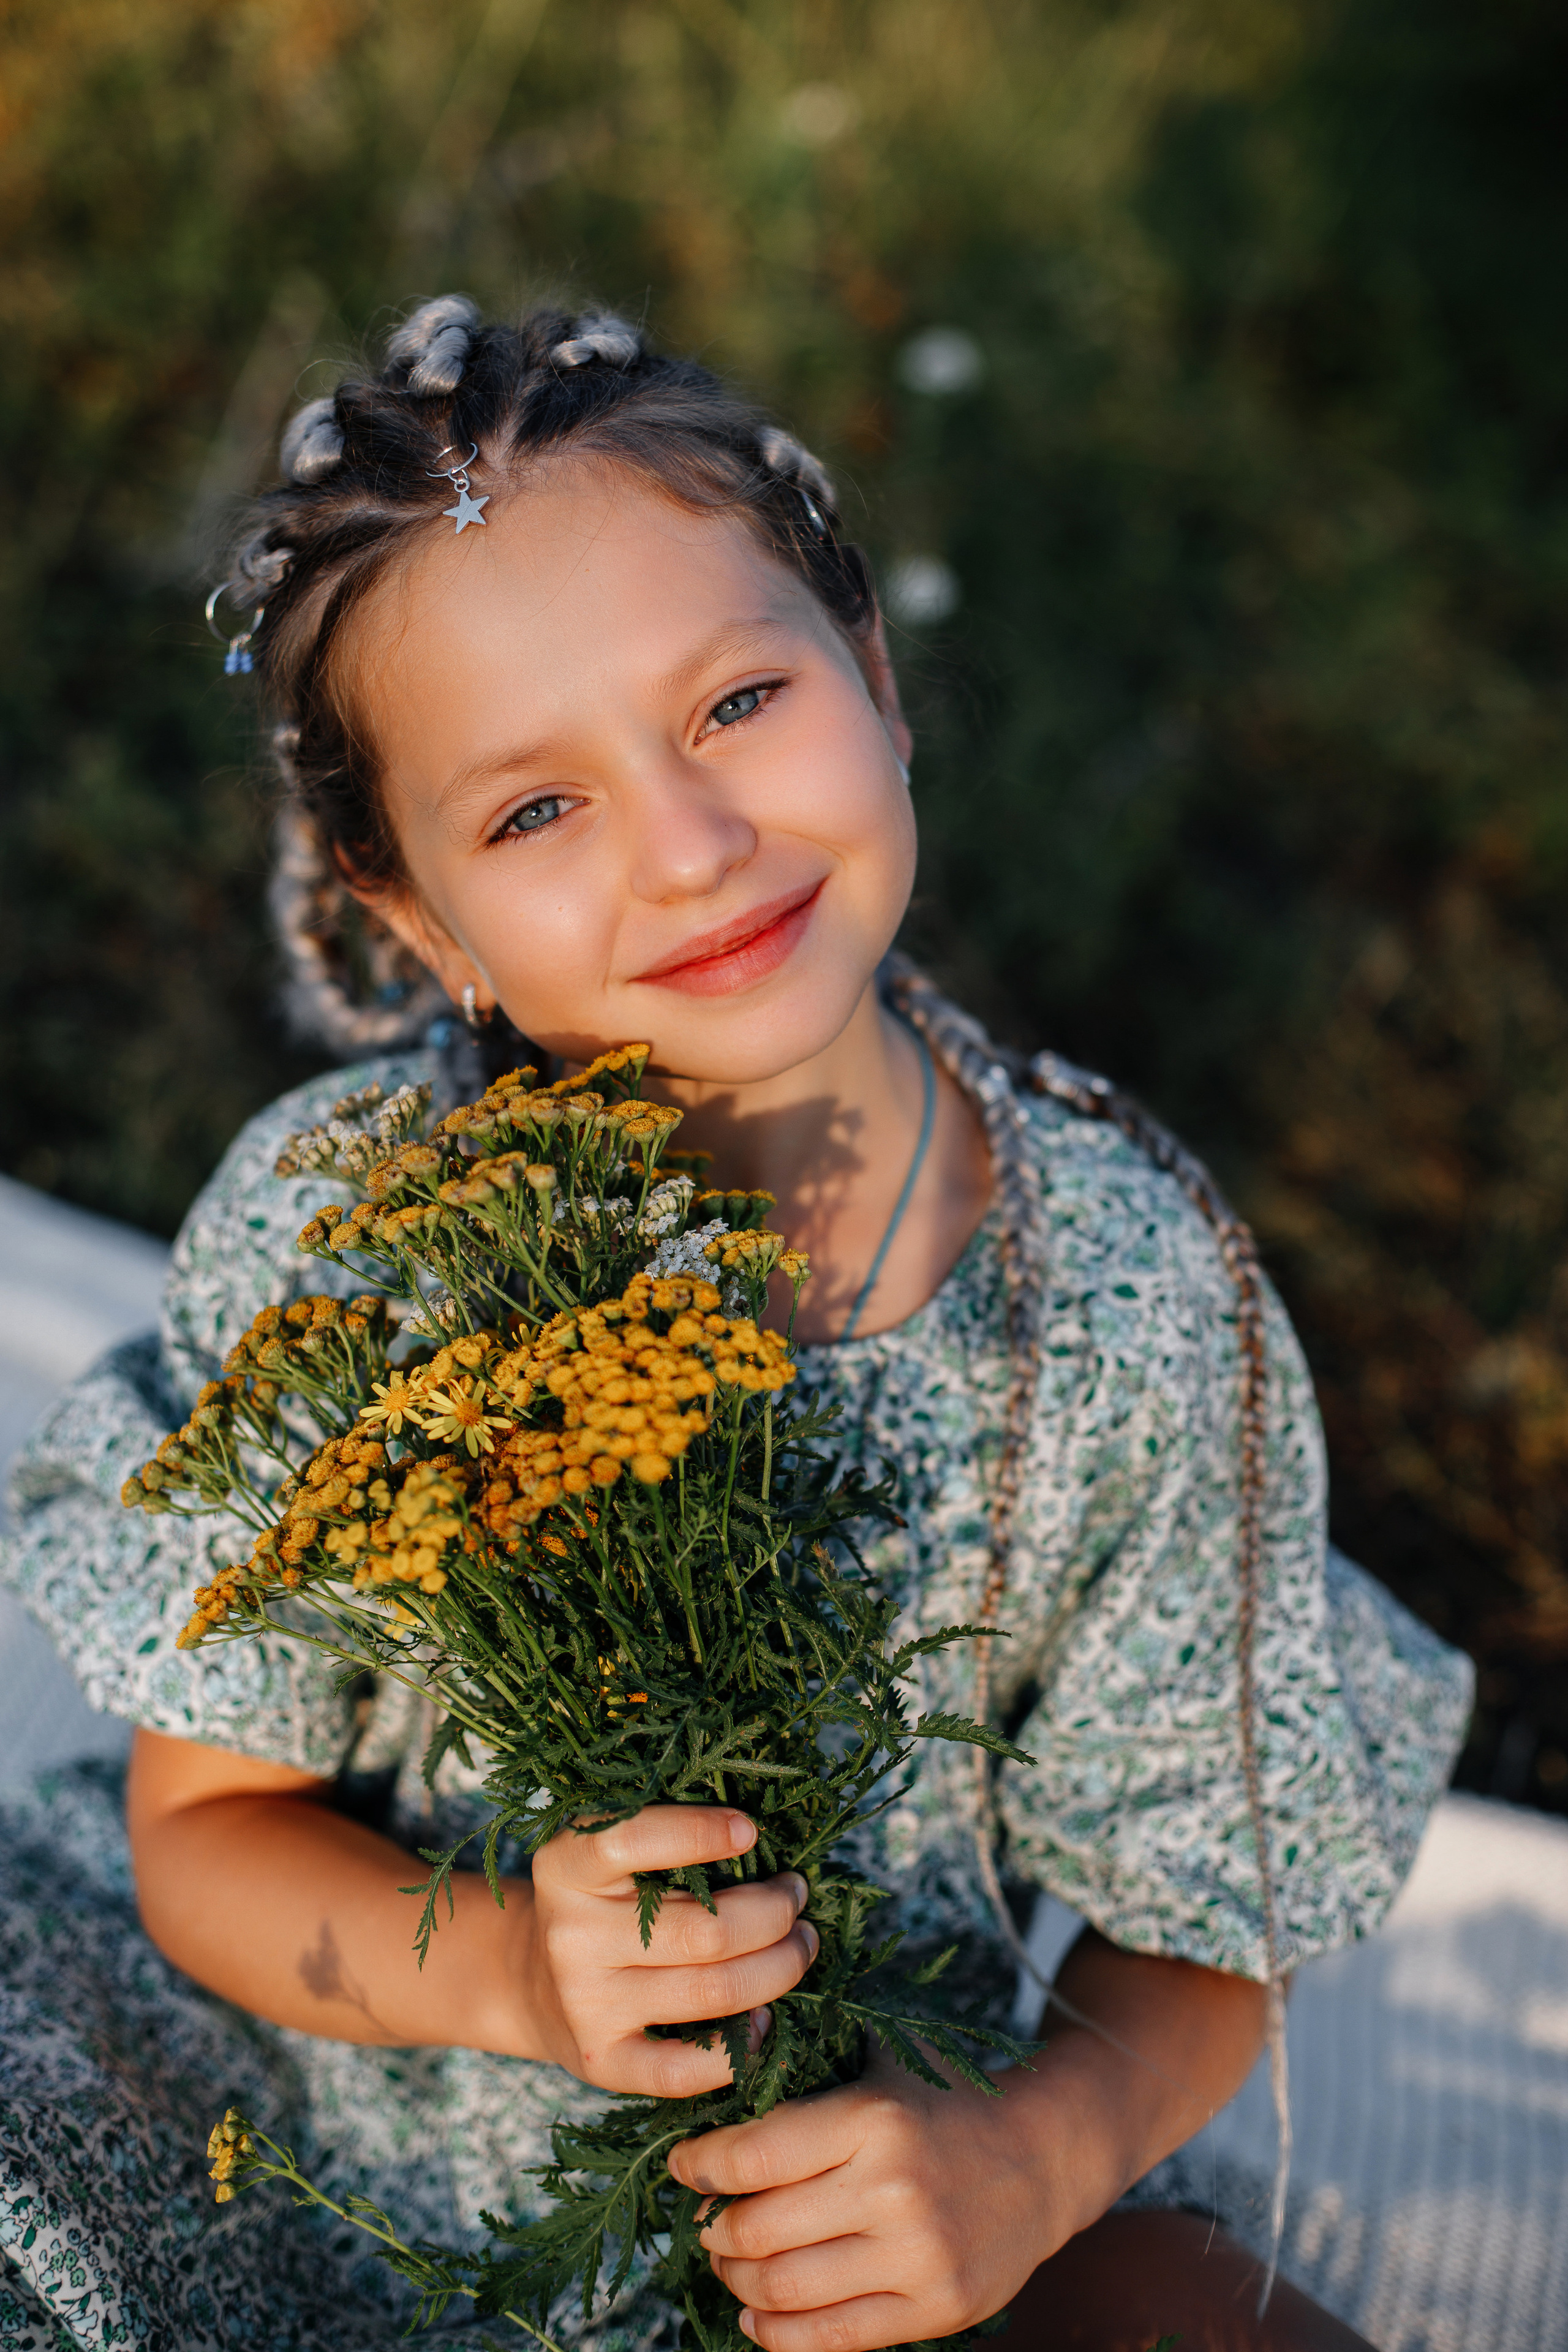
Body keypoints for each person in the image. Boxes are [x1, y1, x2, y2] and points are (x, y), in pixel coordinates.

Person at [0, 298, 1471, 2352]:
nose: (690, 849)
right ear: (418, 918)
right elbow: (212, 1842)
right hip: (326, 2144)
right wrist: (518, 1970)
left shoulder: (1132, 1296)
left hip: (858, 2176)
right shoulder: (368, 1249)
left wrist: (1041, 2155)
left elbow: (1202, 1918)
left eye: (735, 703)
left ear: (870, 672)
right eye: (534, 812)